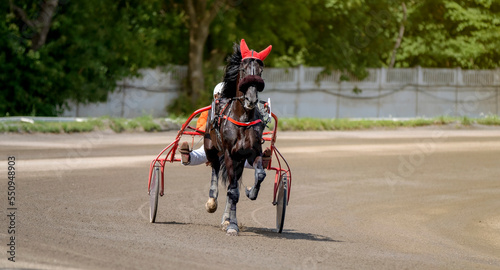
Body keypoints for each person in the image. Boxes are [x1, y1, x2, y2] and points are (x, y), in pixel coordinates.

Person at [179, 82, 271, 167]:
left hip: (234, 145)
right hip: (214, 145)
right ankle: (188, 157)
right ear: (215, 97)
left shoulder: (237, 114)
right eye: (222, 97)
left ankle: (260, 162)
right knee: (203, 153)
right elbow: (202, 129)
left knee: (244, 156)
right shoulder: (208, 112)